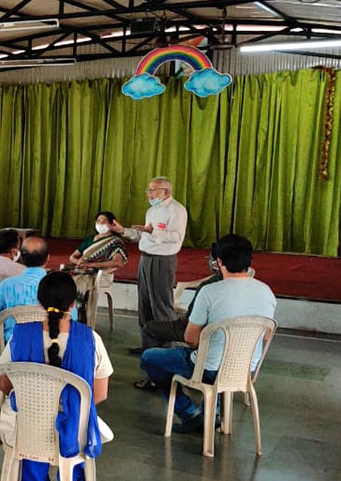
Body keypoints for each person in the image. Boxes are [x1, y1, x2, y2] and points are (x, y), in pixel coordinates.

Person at [139, 234, 275, 433]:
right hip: (246, 368)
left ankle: (190, 413)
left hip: (208, 369)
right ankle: (214, 412)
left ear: (219, 262)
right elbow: (265, 336)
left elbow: (190, 339)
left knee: (150, 358)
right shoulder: (266, 292)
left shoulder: (210, 292)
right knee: (215, 356)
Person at [0, 271, 107, 481]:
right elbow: (99, 394)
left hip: (27, 426)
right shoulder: (91, 339)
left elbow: (4, 385)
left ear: (39, 301)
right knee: (80, 419)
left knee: (27, 417)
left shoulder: (20, 335)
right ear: (73, 303)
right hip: (72, 430)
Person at [112, 177, 187, 354]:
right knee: (144, 304)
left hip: (162, 260)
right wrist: (123, 231)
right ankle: (149, 345)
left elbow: (176, 237)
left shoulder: (176, 210)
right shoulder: (152, 211)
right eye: (148, 189)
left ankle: (166, 349)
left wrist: (154, 231)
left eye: (153, 190)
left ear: (166, 191)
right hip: (145, 258)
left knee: (161, 305)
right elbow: (142, 236)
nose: (149, 193)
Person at [133, 244, 224, 389]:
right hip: (243, 366)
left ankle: (156, 380)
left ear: (217, 263)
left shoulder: (208, 288)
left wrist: (196, 346)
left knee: (150, 329)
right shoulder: (262, 291)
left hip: (205, 351)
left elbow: (190, 335)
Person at [0, 236, 68, 346]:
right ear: (48, 258)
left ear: (21, 257)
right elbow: (71, 322)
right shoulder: (61, 287)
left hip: (13, 352)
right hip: (51, 352)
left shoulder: (5, 286)